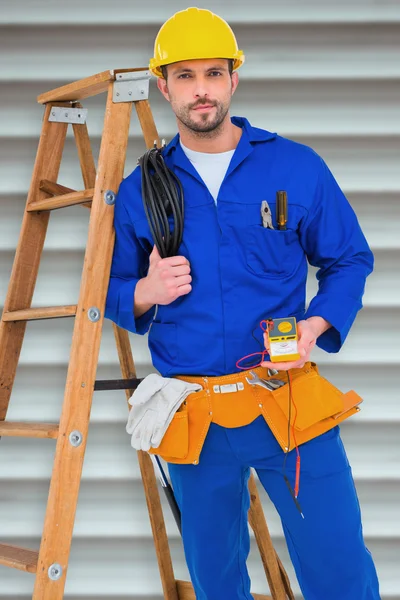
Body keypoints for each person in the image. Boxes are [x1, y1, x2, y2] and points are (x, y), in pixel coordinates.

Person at [105, 7, 381, 600]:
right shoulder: (140, 190)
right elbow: (106, 288)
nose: (200, 89)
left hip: (286, 400)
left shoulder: (294, 167)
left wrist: (317, 323)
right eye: (184, 76)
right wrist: (143, 294)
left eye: (212, 73)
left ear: (233, 79)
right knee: (216, 577)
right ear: (164, 87)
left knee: (338, 567)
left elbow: (349, 259)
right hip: (194, 415)